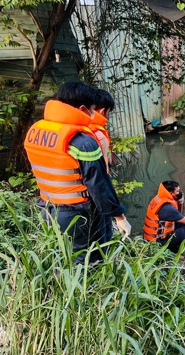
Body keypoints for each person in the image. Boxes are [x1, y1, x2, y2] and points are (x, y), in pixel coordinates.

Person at [23, 81, 131, 260]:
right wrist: (119, 216)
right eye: (91, 109)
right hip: (78, 214)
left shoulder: (36, 131)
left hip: (47, 208)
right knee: (88, 261)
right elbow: (99, 185)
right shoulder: (83, 142)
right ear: (82, 108)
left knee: (63, 257)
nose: (92, 114)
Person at [143, 180, 185, 252]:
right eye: (177, 191)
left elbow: (178, 216)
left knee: (180, 224)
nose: (179, 193)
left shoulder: (159, 198)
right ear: (171, 193)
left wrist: (180, 203)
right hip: (157, 243)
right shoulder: (167, 208)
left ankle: (175, 248)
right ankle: (177, 251)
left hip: (151, 238)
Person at [91, 88, 115, 170]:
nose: (108, 117)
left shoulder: (81, 128)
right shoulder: (99, 136)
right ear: (102, 111)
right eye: (108, 112)